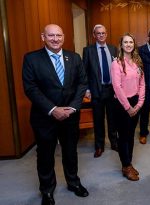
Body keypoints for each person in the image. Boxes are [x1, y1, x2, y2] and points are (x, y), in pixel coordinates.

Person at [22, 24, 89, 205]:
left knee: (70, 152)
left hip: (70, 116)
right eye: (51, 35)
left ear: (64, 37)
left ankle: (73, 182)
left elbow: (82, 83)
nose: (55, 39)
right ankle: (47, 190)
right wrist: (53, 109)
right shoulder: (31, 59)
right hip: (44, 117)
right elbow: (31, 88)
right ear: (42, 36)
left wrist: (74, 107)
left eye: (58, 35)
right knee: (45, 154)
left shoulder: (74, 58)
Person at [111, 33, 145, 181]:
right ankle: (125, 166)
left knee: (131, 135)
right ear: (121, 45)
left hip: (135, 102)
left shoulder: (137, 62)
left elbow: (142, 84)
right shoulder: (116, 63)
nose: (129, 44)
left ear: (134, 45)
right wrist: (128, 107)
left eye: (131, 42)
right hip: (121, 104)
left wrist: (139, 103)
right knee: (123, 136)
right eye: (126, 42)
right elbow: (117, 88)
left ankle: (128, 163)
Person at [82, 24, 118, 158]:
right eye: (98, 33)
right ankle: (99, 146)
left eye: (103, 33)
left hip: (111, 90)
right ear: (94, 35)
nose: (101, 35)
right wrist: (86, 89)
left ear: (106, 34)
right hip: (96, 90)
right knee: (98, 120)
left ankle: (114, 142)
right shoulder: (88, 50)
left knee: (112, 119)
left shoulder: (113, 49)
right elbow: (84, 72)